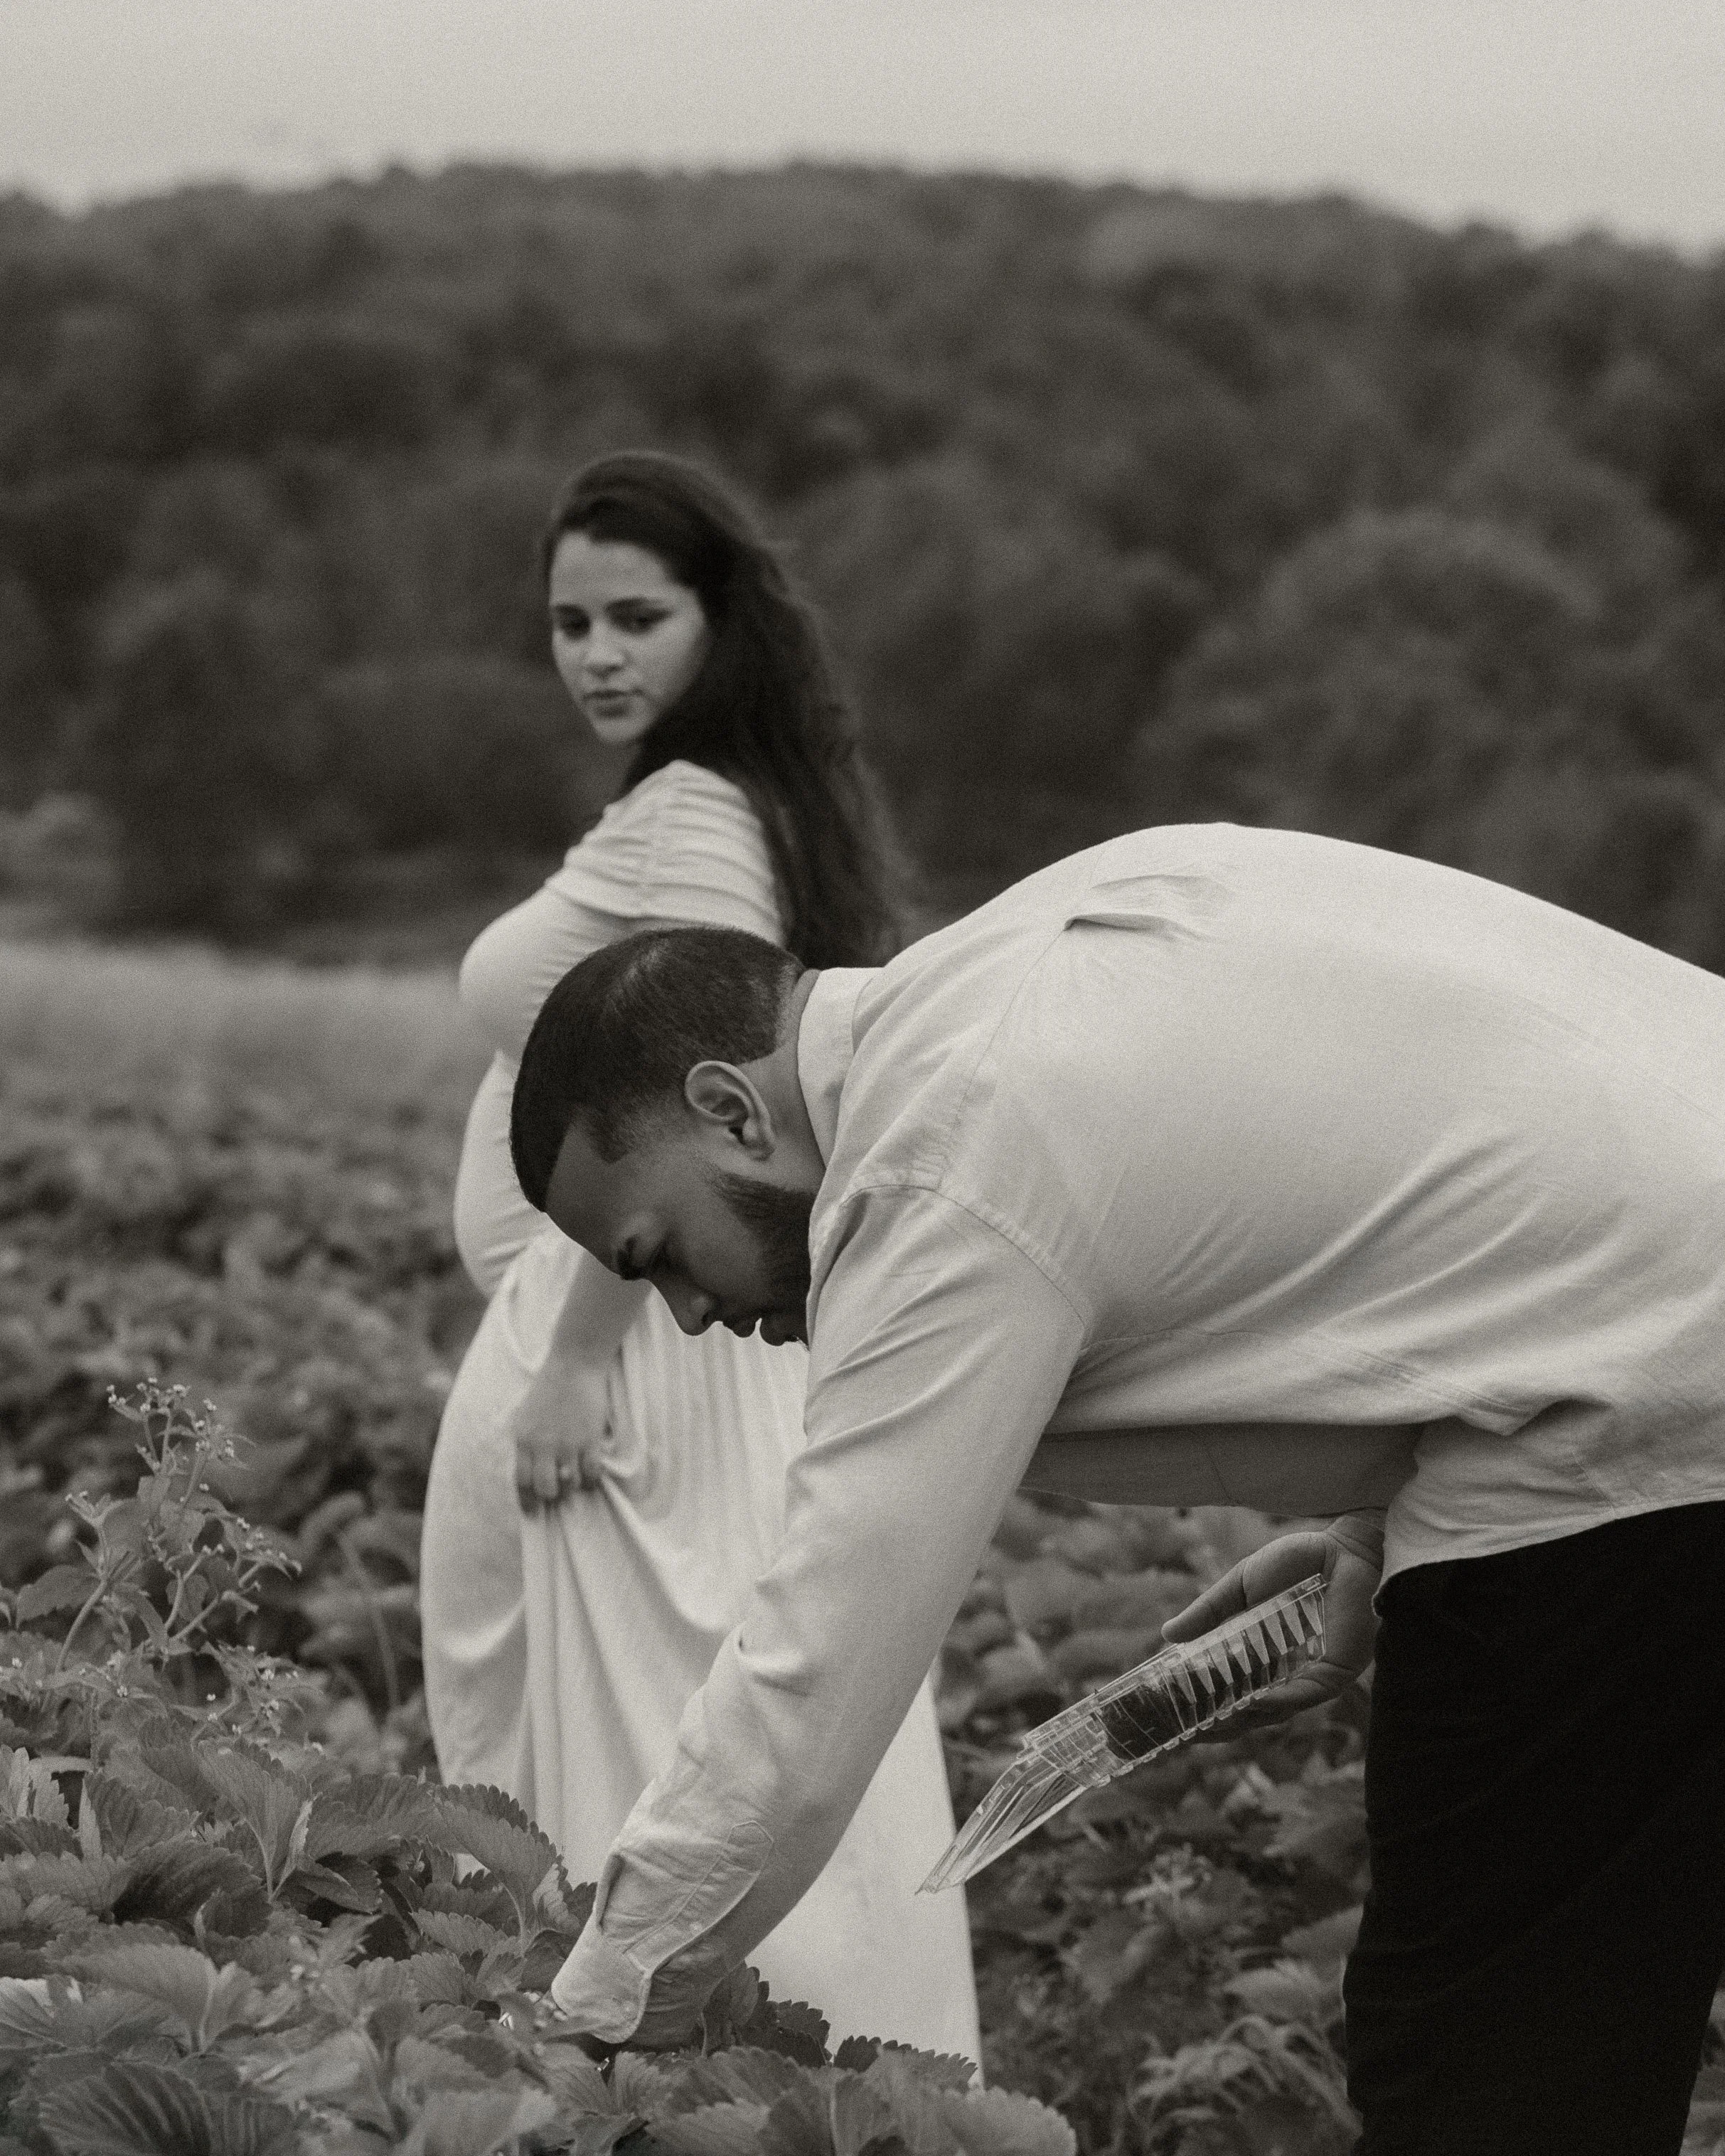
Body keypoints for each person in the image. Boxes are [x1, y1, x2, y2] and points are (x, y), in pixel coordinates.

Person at [511, 821, 1725, 2155]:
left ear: (731, 1109)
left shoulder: (938, 1167)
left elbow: (815, 1671)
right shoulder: (1026, 961)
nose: (685, 1316)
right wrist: (1378, 1534)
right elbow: (1457, 1186)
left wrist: (595, 2012)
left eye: (656, 1253)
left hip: (1656, 1423)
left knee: (1489, 2072)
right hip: (1652, 1362)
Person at [418, 450, 980, 2059]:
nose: (595, 653)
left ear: (717, 623)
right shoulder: (725, 804)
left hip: (644, 1371)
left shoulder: (694, 824)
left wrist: (580, 1353)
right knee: (676, 1733)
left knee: (650, 1751)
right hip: (650, 1346)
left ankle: (683, 2063)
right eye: (568, 622)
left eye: (635, 617)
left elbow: (688, 1091)